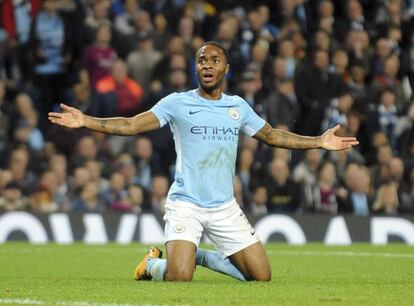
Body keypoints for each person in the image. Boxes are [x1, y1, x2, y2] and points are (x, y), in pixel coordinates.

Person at [48, 41, 359, 282]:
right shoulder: (177, 103)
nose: (207, 65)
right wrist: (86, 120)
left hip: (224, 207)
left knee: (261, 277)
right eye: (201, 60)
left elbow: (273, 135)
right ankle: (152, 264)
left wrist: (319, 141)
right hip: (187, 204)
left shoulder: (237, 107)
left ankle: (197, 255)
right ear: (196, 68)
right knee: (179, 277)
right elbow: (131, 125)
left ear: (225, 68)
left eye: (214, 60)